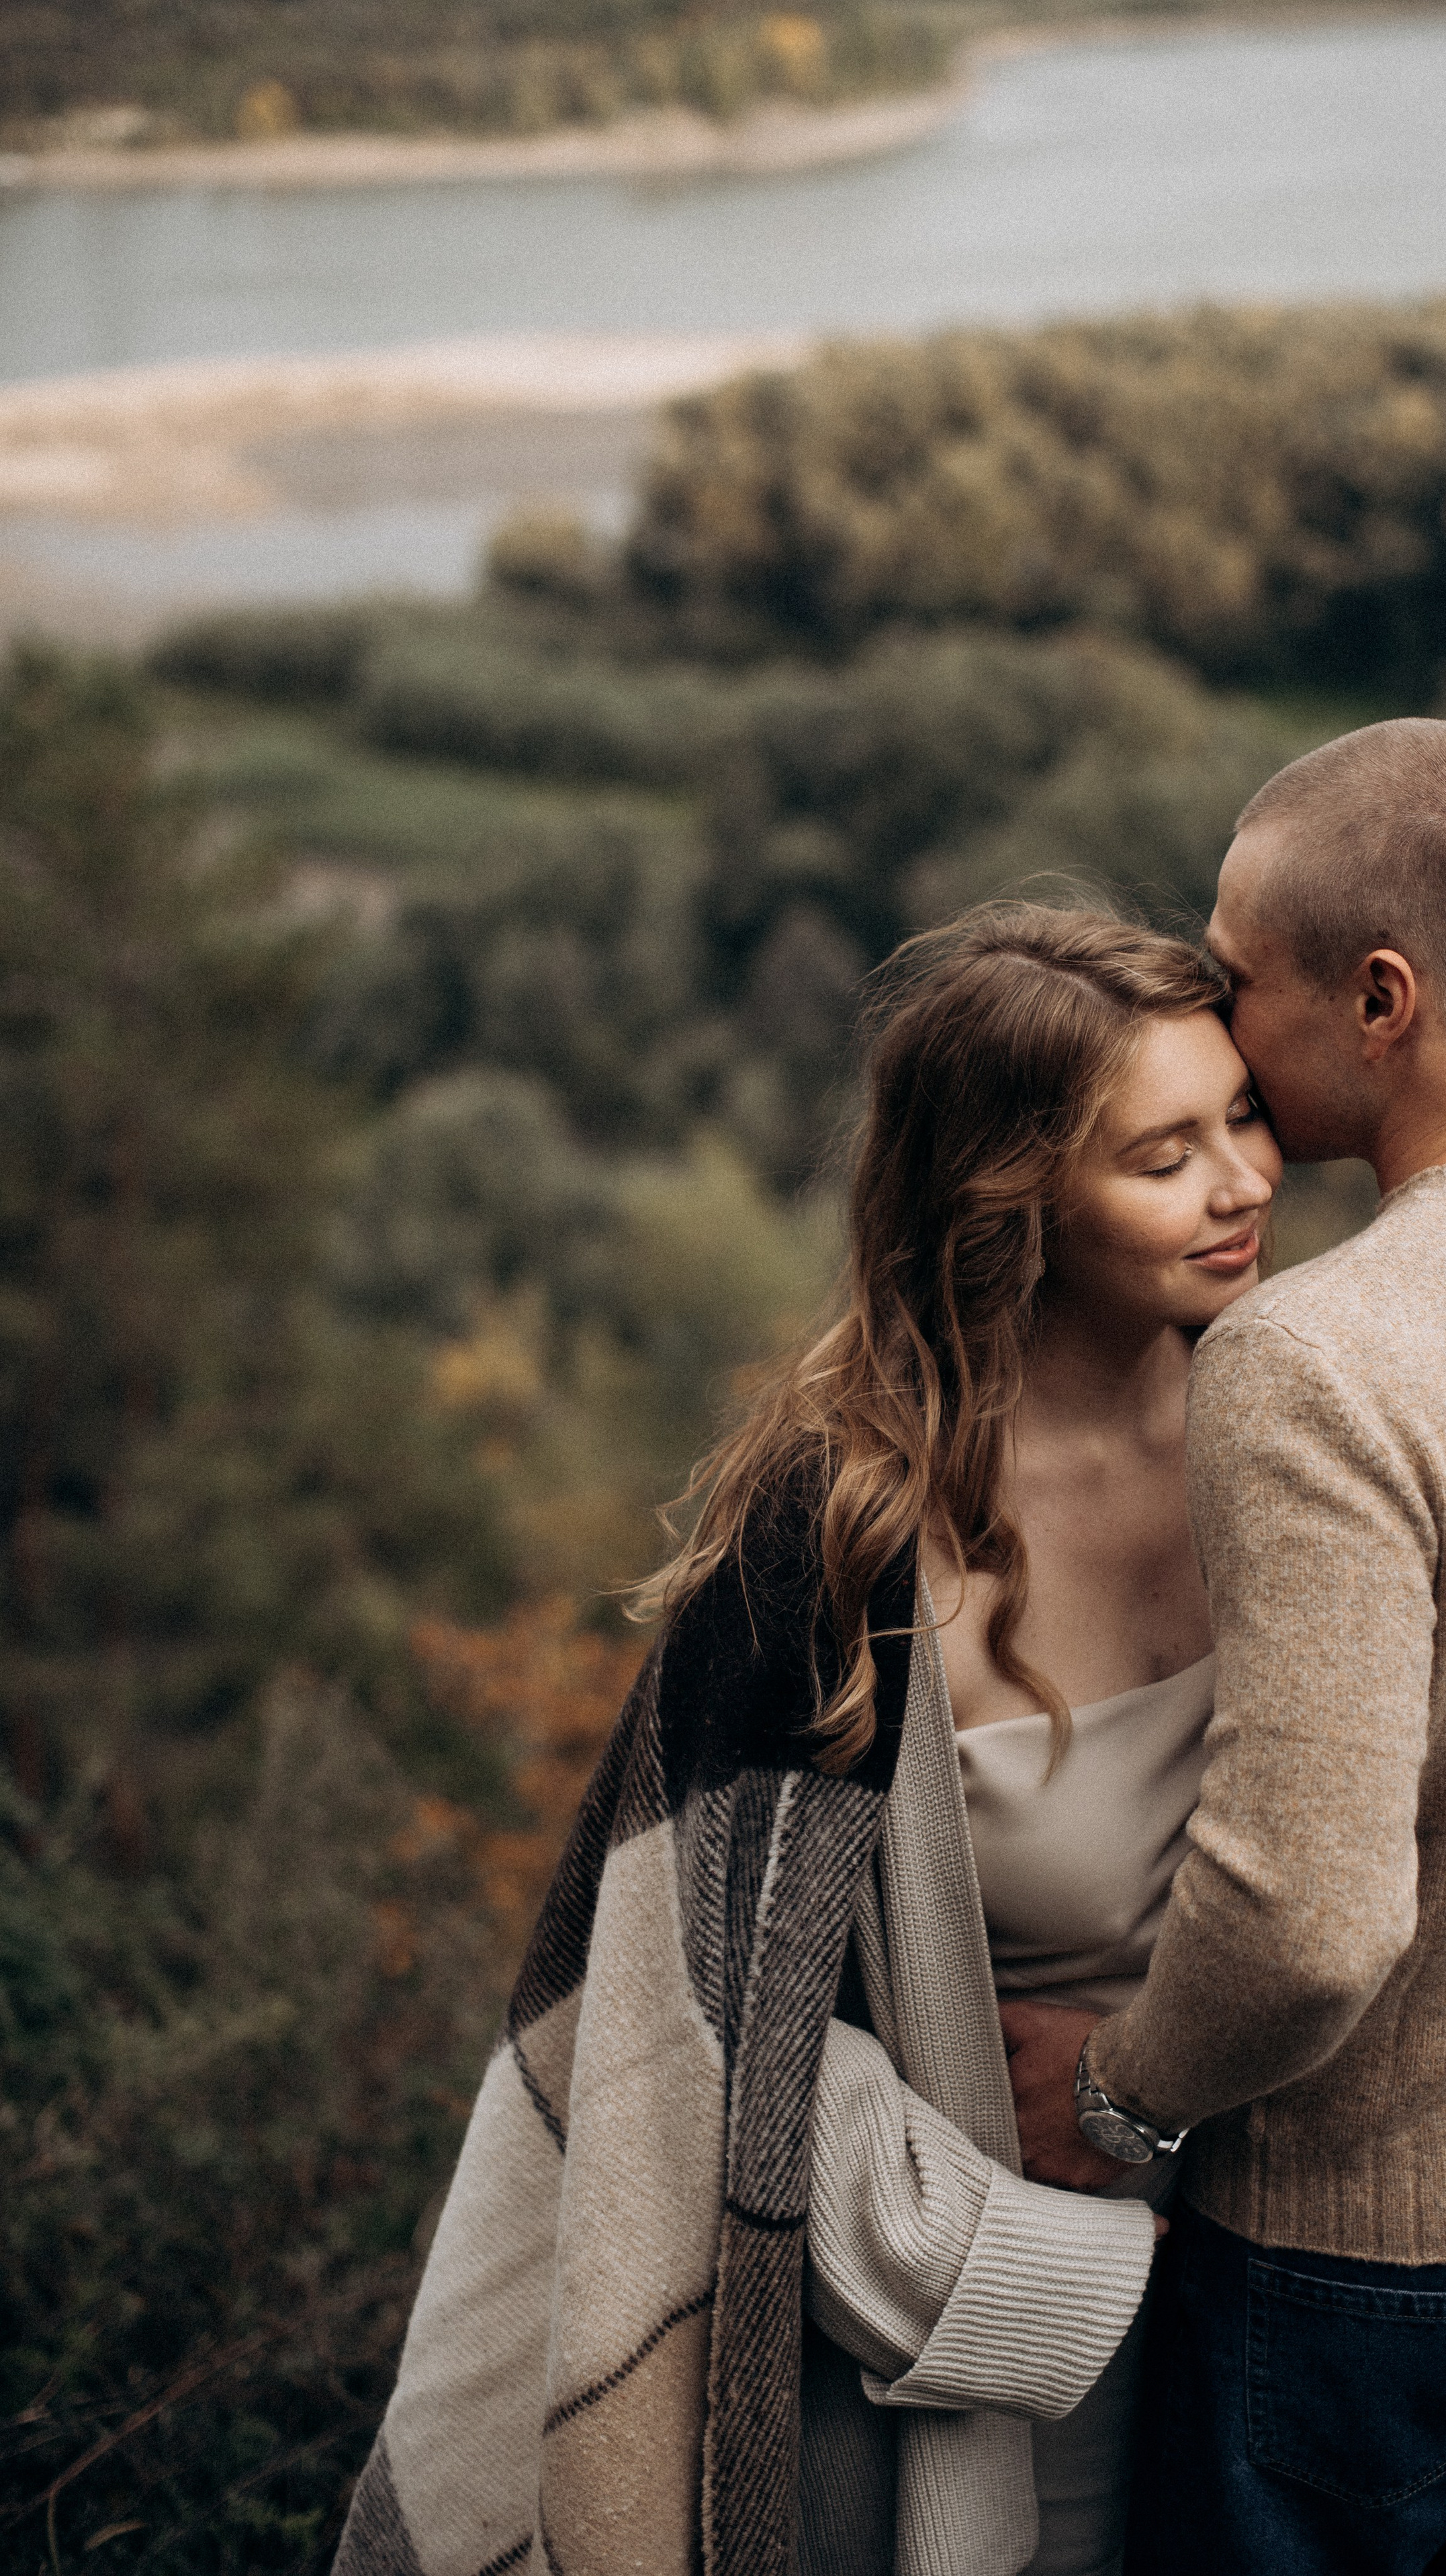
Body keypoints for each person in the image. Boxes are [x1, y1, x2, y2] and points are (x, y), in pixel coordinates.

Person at [330, 902, 1280, 2576]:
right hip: (995, 2363)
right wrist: (1015, 2245)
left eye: (1244, 1116)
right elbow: (689, 2028)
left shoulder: (1299, 1430)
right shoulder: (839, 1538)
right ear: (1013, 1198)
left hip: (1307, 2299)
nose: (1242, 1182)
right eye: (1163, 1154)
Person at [1005, 719, 1446, 2574]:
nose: (1224, 1024)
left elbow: (1308, 1913)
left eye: (1241, 979)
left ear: (1381, 997)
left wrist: (1115, 2097)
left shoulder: (1317, 1363)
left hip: (1370, 2266)